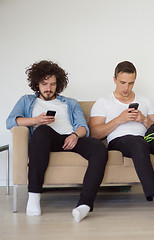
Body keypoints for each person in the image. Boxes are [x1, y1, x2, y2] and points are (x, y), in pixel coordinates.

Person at [6, 60, 108, 222]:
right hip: (46, 138)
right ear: (36, 83)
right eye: (44, 84)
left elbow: (83, 128)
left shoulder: (71, 103)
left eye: (53, 84)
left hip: (70, 138)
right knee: (42, 131)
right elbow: (10, 121)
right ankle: (33, 197)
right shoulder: (26, 100)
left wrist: (75, 135)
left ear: (58, 84)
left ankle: (85, 205)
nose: (48, 88)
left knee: (99, 148)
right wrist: (36, 120)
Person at [89, 61, 154, 218]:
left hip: (146, 139)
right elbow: (95, 133)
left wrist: (143, 119)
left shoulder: (145, 100)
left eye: (131, 83)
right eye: (122, 83)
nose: (126, 88)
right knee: (138, 143)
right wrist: (119, 119)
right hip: (120, 141)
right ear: (114, 79)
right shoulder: (103, 102)